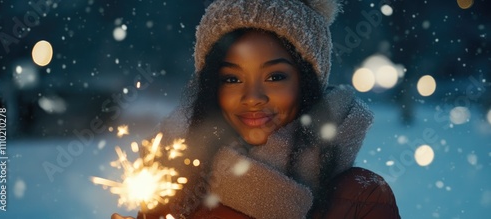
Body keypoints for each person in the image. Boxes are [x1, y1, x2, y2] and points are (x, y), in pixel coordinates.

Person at [113, 0, 400, 218]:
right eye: (232, 78)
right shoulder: (171, 181)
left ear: (307, 83)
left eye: (275, 77)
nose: (252, 97)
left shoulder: (362, 196)